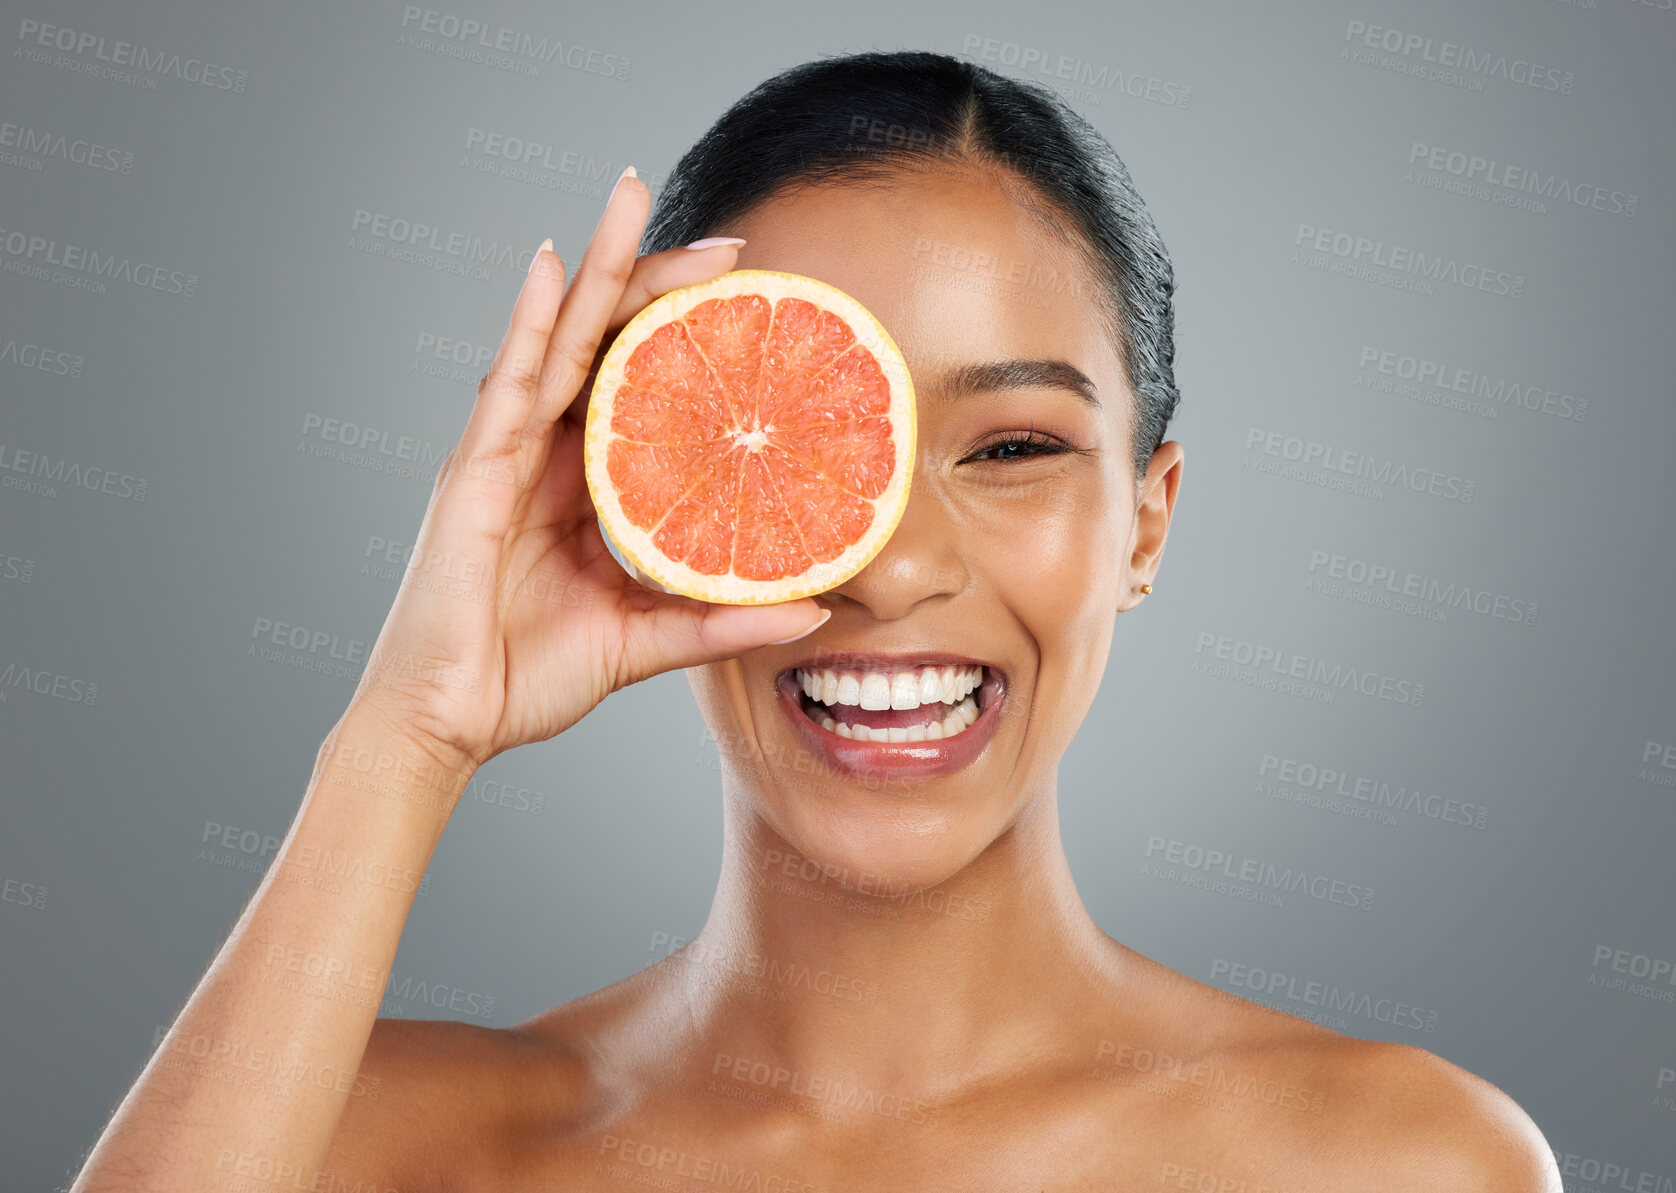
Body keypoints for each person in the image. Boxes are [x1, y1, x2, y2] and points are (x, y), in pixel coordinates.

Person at [72, 50, 1560, 1192]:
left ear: (1146, 523)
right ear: (641, 483)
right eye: (793, 453)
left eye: (1012, 446)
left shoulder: (1394, 1161)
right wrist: (407, 736)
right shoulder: (375, 1138)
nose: (893, 569)